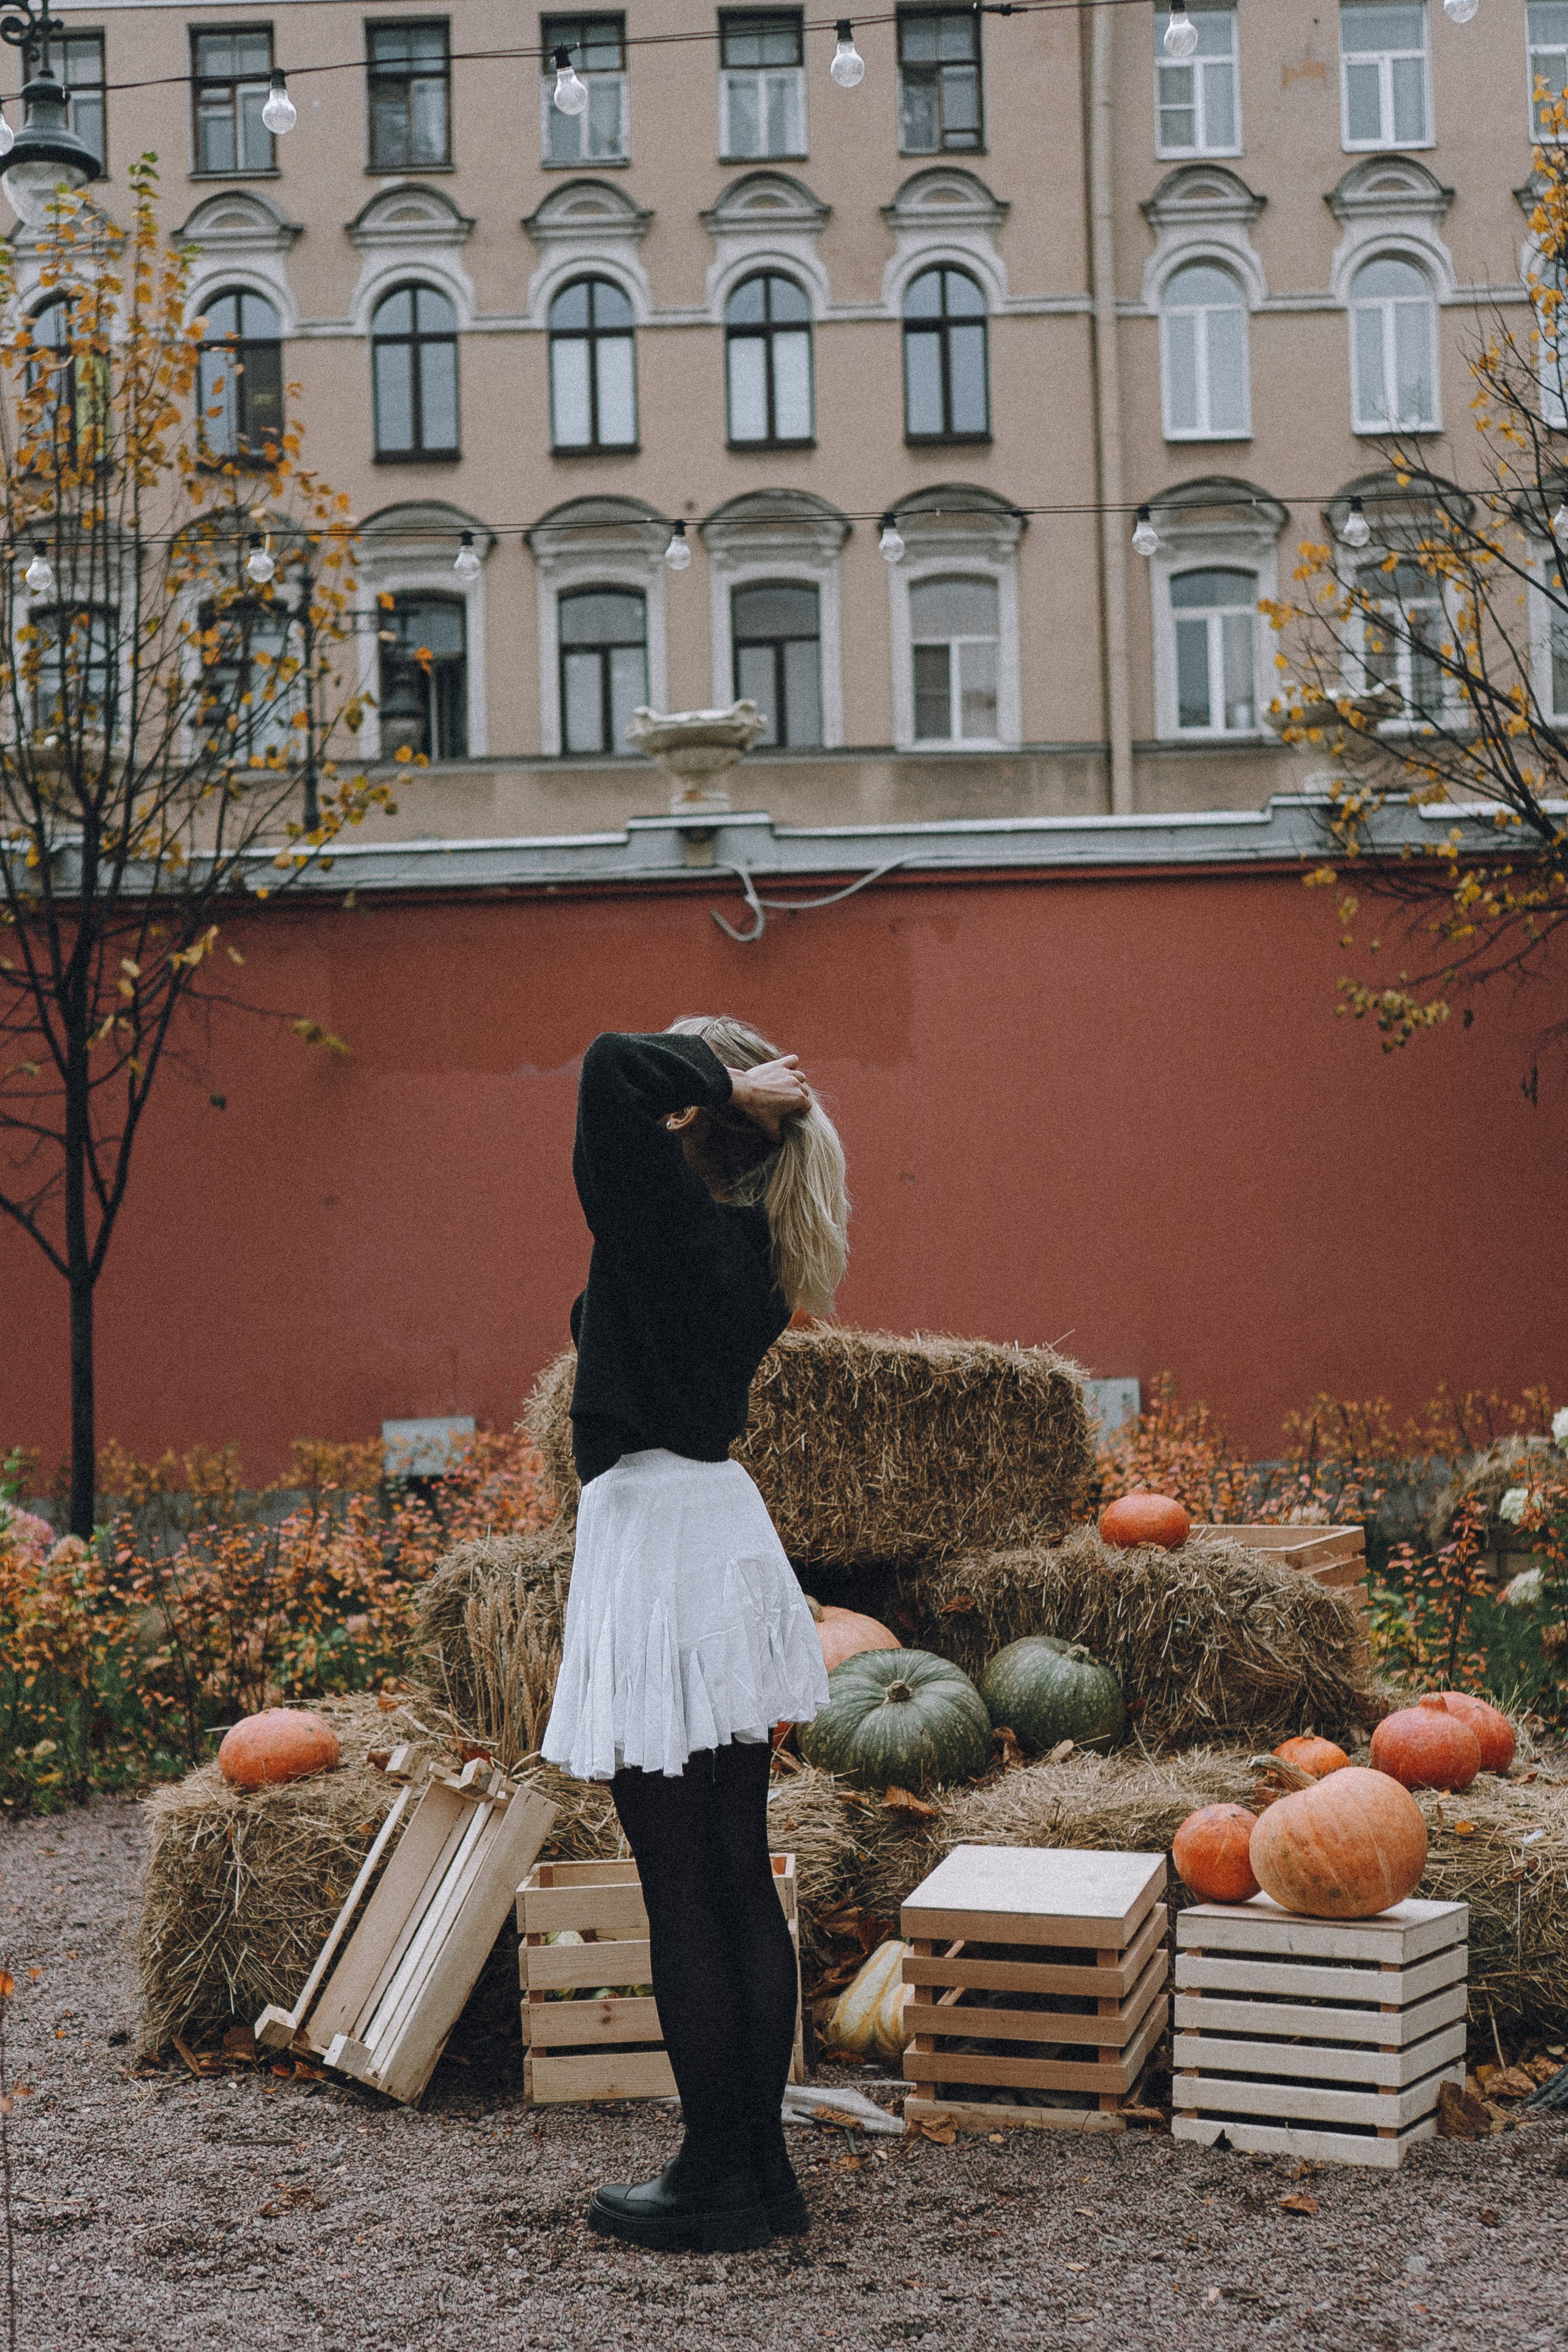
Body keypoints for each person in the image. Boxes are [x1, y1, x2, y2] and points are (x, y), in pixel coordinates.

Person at [541, 1016, 850, 2256]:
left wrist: (726, 1082)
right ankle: (755, 2169)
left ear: (695, 1121)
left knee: (684, 1882)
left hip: (658, 1534)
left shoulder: (660, 1219)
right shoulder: (747, 1238)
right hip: (712, 1529)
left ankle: (715, 2174)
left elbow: (609, 1063)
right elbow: (630, 1087)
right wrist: (731, 1098)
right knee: (732, 1866)